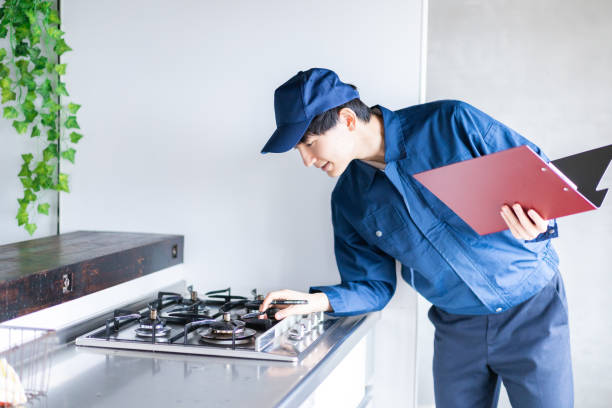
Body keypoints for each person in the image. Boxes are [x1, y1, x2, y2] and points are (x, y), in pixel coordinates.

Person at [259, 68, 573, 408]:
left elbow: (542, 179)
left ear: (347, 120)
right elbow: (374, 286)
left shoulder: (451, 123)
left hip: (533, 310)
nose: (306, 161)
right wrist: (318, 302)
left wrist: (540, 222)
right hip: (457, 330)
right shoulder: (349, 200)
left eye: (308, 143)